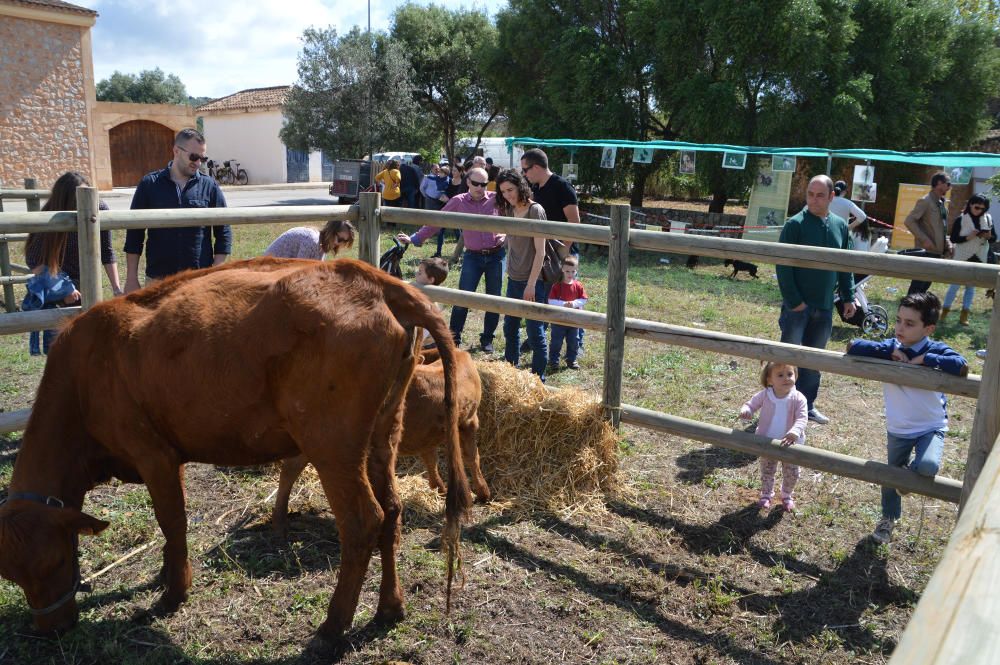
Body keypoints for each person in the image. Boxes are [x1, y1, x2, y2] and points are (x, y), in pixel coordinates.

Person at [844, 292, 968, 544]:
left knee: (928, 466)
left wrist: (926, 360)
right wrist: (887, 353)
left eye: (909, 324)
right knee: (891, 478)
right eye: (899, 320)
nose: (900, 327)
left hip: (930, 426)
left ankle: (905, 478)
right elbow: (852, 346)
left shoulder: (935, 349)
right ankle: (887, 520)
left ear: (928, 328)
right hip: (898, 427)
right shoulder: (892, 346)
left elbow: (962, 365)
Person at [395, 166, 504, 353]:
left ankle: (487, 339)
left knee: (493, 299)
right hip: (473, 256)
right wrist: (416, 238)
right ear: (468, 182)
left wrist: (507, 236)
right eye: (476, 183)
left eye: (484, 184)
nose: (480, 187)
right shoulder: (458, 201)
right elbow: (438, 221)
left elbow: (517, 212)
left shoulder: (496, 198)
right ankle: (454, 338)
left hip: (496, 255)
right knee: (462, 297)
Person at [776, 175, 855, 425]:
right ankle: (779, 405)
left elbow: (846, 265)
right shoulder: (795, 224)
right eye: (810, 194)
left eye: (820, 195)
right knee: (787, 358)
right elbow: (783, 266)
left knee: (814, 360)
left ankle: (806, 406)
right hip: (798, 307)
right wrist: (795, 301)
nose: (813, 199)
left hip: (824, 305)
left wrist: (848, 297)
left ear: (832, 197)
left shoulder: (841, 226)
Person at [24, 171, 123, 355]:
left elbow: (107, 252)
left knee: (91, 340)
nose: (85, 204)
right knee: (63, 345)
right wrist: (64, 288)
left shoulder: (99, 207)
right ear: (66, 199)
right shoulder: (51, 215)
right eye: (79, 198)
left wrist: (117, 288)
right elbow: (33, 259)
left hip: (88, 281)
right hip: (57, 283)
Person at [124, 128, 230, 294]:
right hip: (158, 281)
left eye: (203, 158)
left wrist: (214, 274)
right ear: (176, 151)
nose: (198, 163)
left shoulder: (210, 186)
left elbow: (223, 232)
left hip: (199, 280)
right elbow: (134, 235)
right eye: (194, 157)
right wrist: (131, 279)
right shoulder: (149, 185)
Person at [521, 147, 584, 349]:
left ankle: (576, 344)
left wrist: (564, 250)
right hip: (545, 252)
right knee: (545, 296)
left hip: (563, 252)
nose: (524, 174)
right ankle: (536, 338)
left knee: (567, 298)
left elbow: (574, 221)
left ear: (537, 167)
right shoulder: (536, 188)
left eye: (526, 170)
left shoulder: (562, 187)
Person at [494, 169, 549, 379]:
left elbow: (540, 251)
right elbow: (514, 239)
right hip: (513, 276)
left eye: (511, 189)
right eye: (503, 191)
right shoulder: (509, 209)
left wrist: (531, 284)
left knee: (535, 331)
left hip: (532, 280)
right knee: (510, 327)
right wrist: (504, 240)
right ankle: (510, 373)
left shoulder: (536, 210)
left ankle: (537, 379)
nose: (508, 195)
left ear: (520, 186)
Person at [738, 361, 808, 512]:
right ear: (770, 379)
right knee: (767, 470)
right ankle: (766, 494)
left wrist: (795, 431)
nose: (786, 378)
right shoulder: (765, 395)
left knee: (792, 472)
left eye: (790, 374)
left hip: (791, 443)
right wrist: (746, 411)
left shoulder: (799, 398)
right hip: (767, 441)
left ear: (795, 375)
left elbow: (802, 418)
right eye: (780, 375)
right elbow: (750, 404)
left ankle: (787, 494)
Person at [941, 194, 994, 325]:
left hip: (979, 257)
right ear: (970, 204)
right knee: (954, 286)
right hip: (962, 257)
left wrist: (988, 236)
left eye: (983, 208)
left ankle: (964, 315)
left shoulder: (988, 219)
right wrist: (968, 237)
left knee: (970, 288)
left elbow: (994, 238)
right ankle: (944, 312)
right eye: (977, 207)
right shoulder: (961, 219)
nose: (979, 210)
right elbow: (953, 238)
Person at [904, 172, 954, 295]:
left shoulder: (941, 203)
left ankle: (916, 312)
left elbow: (941, 228)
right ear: (939, 184)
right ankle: (905, 311)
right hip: (925, 252)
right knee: (916, 288)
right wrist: (924, 239)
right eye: (948, 184)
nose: (949, 187)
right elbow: (909, 221)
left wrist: (948, 244)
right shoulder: (925, 201)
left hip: (936, 253)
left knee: (923, 289)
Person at [547, 254, 588, 371]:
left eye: (573, 271)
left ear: (576, 271)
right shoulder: (557, 285)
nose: (570, 274)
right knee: (556, 341)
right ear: (562, 270)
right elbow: (550, 301)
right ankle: (553, 361)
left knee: (574, 341)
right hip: (558, 320)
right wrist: (563, 304)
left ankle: (571, 360)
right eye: (567, 271)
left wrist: (574, 303)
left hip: (574, 320)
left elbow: (584, 299)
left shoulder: (578, 285)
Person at [262, 220, 356, 259]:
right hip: (268, 269)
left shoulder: (321, 248)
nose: (339, 244)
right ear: (331, 232)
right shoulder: (312, 241)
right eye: (340, 239)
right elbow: (299, 273)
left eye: (345, 242)